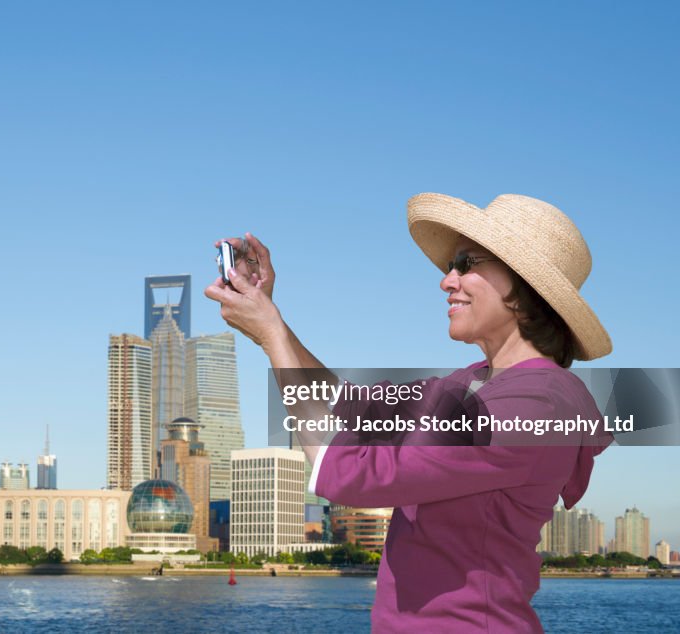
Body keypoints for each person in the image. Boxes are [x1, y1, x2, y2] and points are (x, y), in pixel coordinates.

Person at [205, 193, 612, 632]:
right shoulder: (470, 382)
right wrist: (274, 323)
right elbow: (348, 407)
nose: (447, 281)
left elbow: (350, 474)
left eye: (467, 264)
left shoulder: (538, 406)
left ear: (524, 287)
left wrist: (270, 336)